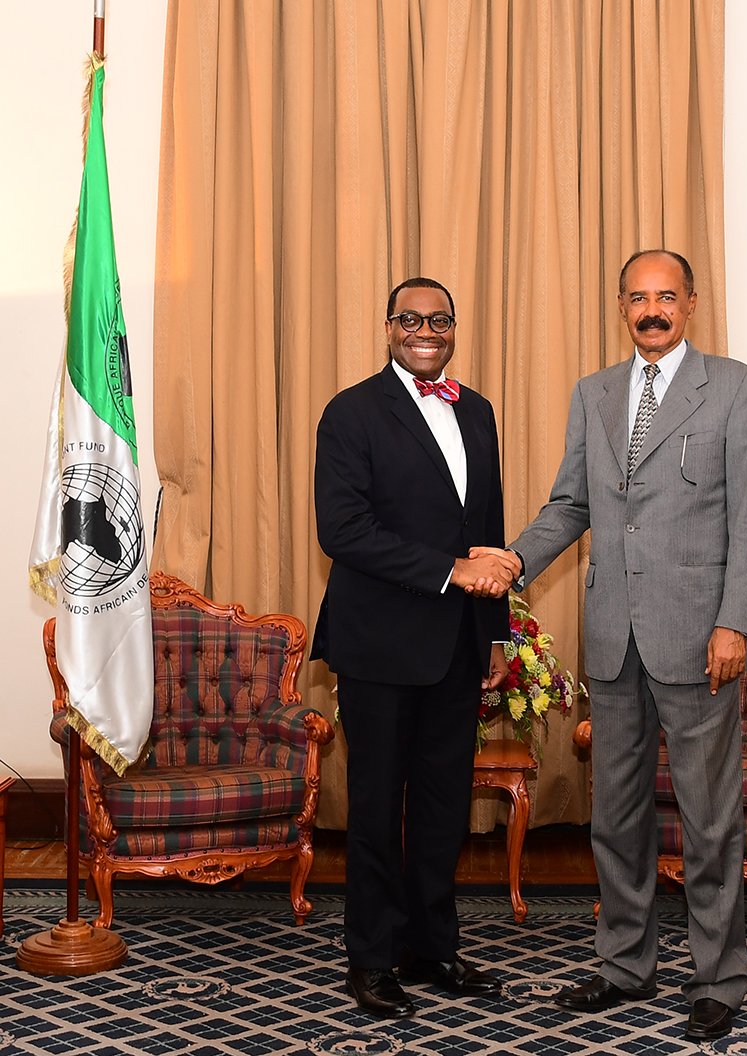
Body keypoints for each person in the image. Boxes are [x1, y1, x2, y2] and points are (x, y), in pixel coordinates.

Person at [473, 249, 747, 1041]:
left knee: (709, 820)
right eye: (638, 298)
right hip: (612, 640)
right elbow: (569, 504)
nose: (653, 310)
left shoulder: (737, 388)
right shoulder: (595, 394)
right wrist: (513, 560)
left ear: (692, 305)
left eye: (667, 297)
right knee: (615, 816)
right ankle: (624, 967)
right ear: (621, 307)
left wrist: (734, 622)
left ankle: (720, 978)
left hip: (698, 637)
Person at [311, 276, 514, 1019]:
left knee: (441, 809)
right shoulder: (352, 412)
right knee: (374, 809)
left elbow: (486, 526)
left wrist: (496, 632)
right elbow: (343, 530)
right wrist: (448, 571)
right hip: (379, 647)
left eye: (439, 319)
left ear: (454, 329)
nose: (424, 329)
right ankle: (369, 959)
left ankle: (432, 948)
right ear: (388, 327)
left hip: (459, 647)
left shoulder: (479, 411)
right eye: (409, 318)